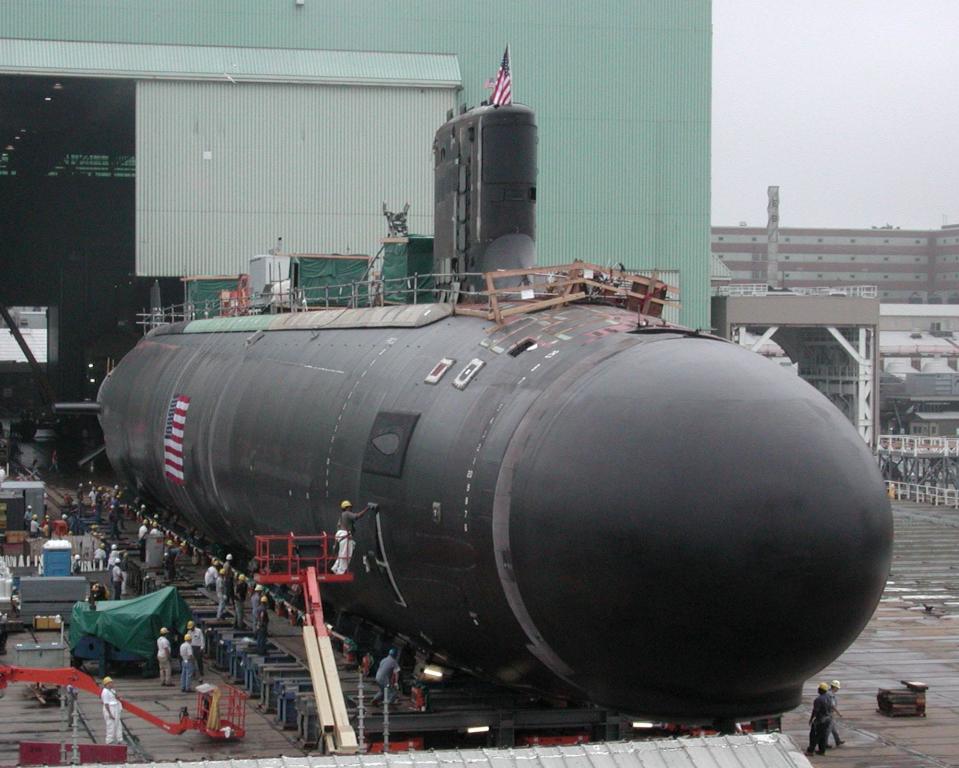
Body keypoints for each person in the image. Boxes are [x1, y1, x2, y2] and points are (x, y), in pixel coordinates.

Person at [807, 682, 833, 756]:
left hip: (820, 720)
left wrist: (811, 719)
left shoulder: (818, 700)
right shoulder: (828, 697)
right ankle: (822, 751)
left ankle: (810, 751)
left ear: (820, 690)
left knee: (814, 735)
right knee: (823, 735)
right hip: (828, 719)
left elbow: (815, 711)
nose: (817, 689)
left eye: (819, 688)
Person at [101, 676, 123, 744]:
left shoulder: (112, 690)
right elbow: (106, 704)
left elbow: (116, 696)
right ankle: (109, 741)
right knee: (111, 725)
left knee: (118, 724)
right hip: (110, 709)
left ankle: (120, 739)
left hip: (115, 708)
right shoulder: (105, 692)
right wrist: (110, 714)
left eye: (112, 682)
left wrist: (119, 697)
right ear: (106, 684)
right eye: (110, 683)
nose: (112, 684)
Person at [828, 680, 844, 746]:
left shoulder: (828, 692)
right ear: (834, 687)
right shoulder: (830, 694)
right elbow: (832, 705)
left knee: (833, 728)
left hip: (829, 713)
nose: (838, 689)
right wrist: (839, 713)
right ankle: (824, 743)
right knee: (828, 729)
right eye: (837, 688)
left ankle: (837, 741)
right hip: (829, 714)